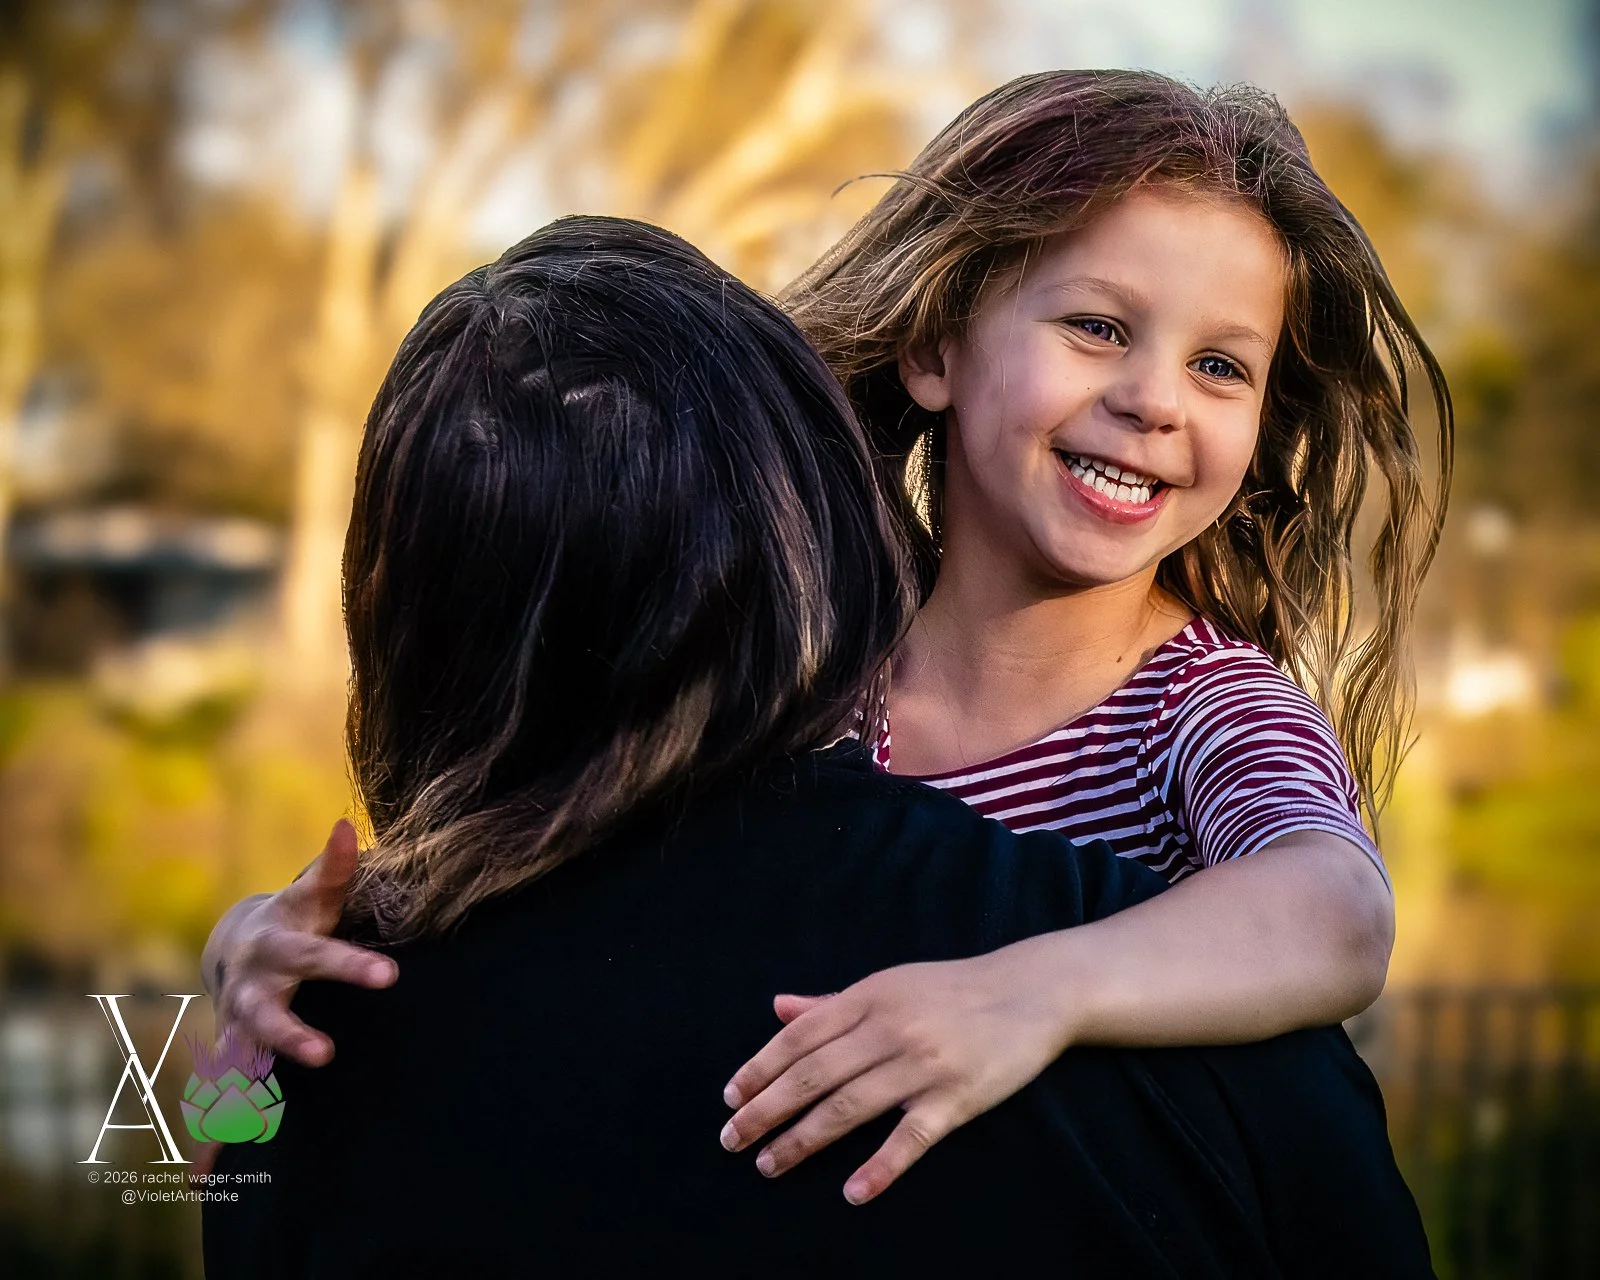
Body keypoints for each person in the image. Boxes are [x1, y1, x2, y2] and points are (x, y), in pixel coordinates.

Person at [201, 71, 1452, 1204]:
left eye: (1222, 367)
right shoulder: (808, 674)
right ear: (934, 346)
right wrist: (266, 947)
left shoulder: (1205, 707)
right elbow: (558, 856)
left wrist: (1034, 991)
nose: (1153, 399)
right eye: (1099, 327)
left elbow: (1337, 910)